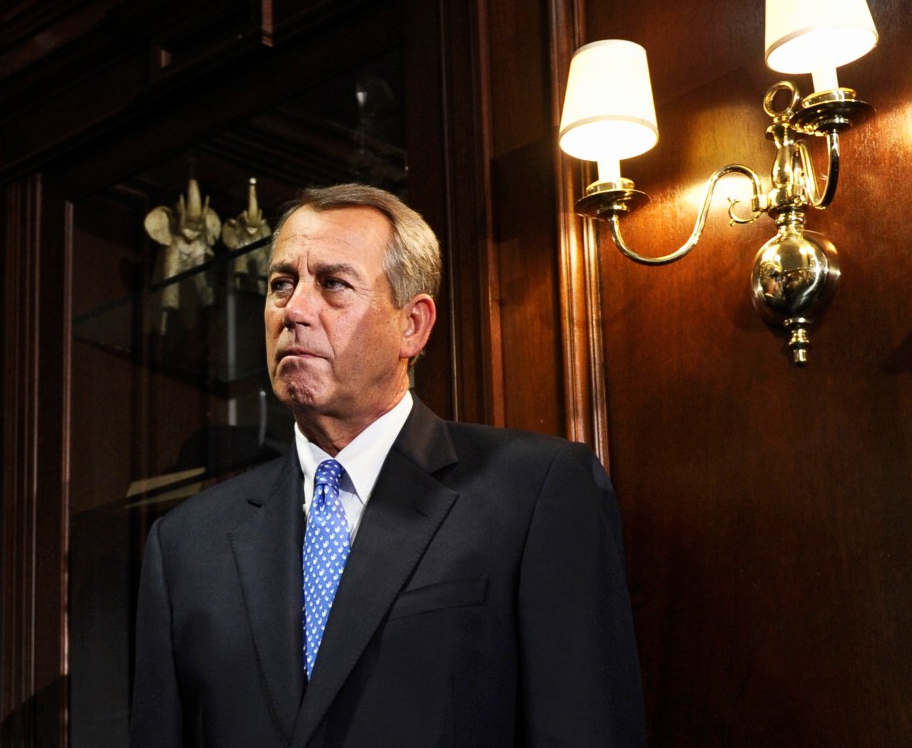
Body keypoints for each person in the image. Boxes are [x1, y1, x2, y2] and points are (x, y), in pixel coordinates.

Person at [129, 183, 646, 747]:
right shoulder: (186, 544)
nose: (294, 311)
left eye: (333, 284)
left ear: (412, 325)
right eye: (281, 284)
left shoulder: (535, 492)